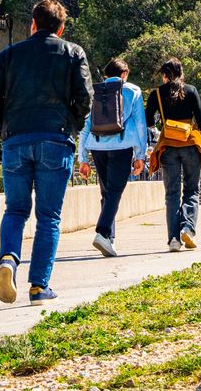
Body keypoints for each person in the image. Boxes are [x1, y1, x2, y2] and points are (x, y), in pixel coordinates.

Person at [0, 0, 93, 305]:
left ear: (33, 23)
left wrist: (5, 126)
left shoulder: (9, 55)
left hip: (16, 139)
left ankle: (8, 260)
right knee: (48, 217)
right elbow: (85, 98)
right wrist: (72, 125)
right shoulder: (74, 53)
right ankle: (38, 286)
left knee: (15, 209)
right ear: (61, 27)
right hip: (55, 139)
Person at [77, 56, 147, 258]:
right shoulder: (132, 90)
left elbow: (85, 127)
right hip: (122, 146)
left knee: (107, 192)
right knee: (115, 191)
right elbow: (140, 125)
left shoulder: (96, 92)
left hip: (97, 147)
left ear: (106, 75)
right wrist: (140, 155)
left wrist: (82, 158)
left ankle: (109, 238)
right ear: (124, 74)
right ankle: (102, 232)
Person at [147, 58, 201, 252]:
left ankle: (173, 240)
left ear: (164, 74)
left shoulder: (157, 94)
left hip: (168, 146)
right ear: (181, 72)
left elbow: (147, 120)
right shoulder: (191, 90)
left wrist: (161, 118)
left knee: (171, 194)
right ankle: (188, 227)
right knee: (192, 190)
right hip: (190, 145)